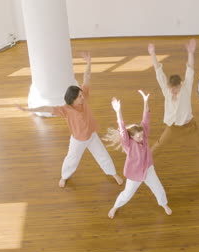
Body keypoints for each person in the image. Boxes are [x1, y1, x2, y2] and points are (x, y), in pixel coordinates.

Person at [17, 51, 123, 187]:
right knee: (72, 159)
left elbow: (87, 77)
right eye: (79, 96)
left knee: (102, 154)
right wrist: (28, 110)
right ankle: (64, 176)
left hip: (91, 135)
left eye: (81, 94)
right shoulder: (66, 110)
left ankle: (112, 173)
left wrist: (89, 63)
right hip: (78, 140)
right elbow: (46, 108)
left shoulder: (84, 98)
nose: (83, 97)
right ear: (72, 99)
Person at [148, 39, 199, 172]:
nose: (173, 91)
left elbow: (190, 69)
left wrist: (191, 53)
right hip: (173, 127)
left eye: (176, 88)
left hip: (189, 125)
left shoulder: (186, 87)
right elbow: (158, 71)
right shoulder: (166, 90)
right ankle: (145, 162)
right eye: (171, 88)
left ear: (180, 85)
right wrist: (152, 54)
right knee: (159, 145)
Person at [103, 90, 172, 219]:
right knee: (127, 194)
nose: (141, 137)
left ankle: (164, 204)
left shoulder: (144, 136)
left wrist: (146, 102)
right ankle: (115, 206)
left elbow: (146, 119)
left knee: (158, 188)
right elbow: (123, 130)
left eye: (142, 134)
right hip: (134, 173)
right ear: (132, 137)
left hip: (148, 169)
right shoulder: (128, 144)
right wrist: (118, 112)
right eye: (138, 136)